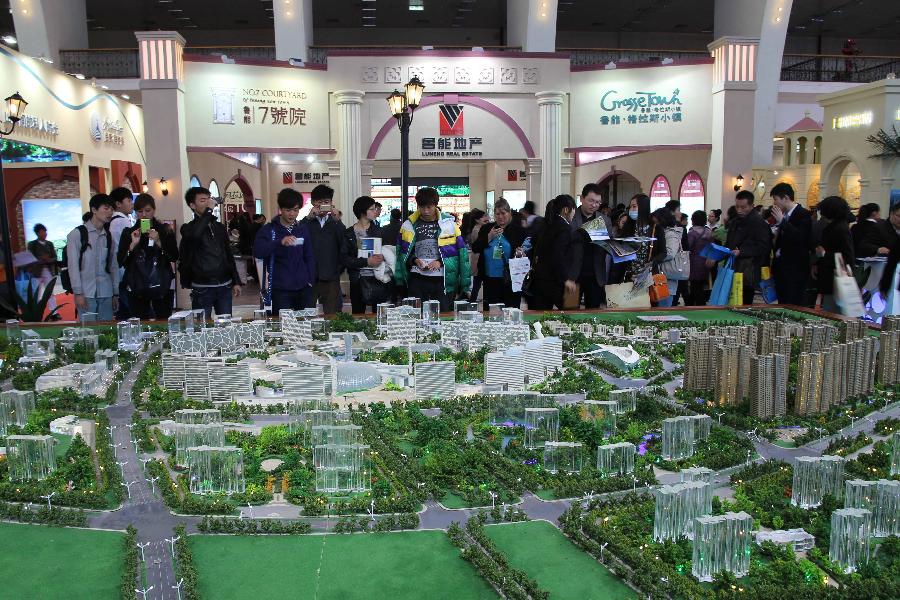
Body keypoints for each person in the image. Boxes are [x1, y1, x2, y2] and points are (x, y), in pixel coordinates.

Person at [395, 187, 470, 311]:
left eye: (429, 207)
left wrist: (440, 262)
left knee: (443, 315)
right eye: (422, 207)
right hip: (417, 278)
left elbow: (461, 255)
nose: (425, 211)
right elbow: (401, 254)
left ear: (436, 205)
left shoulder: (450, 225)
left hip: (443, 280)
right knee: (416, 316)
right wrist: (415, 260)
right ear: (417, 205)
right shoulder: (408, 226)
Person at [179, 186, 242, 319]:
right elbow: (195, 235)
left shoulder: (219, 227)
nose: (208, 203)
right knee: (202, 327)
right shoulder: (187, 228)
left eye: (209, 199)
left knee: (225, 327)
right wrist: (208, 211)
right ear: (192, 205)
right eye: (203, 200)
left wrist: (236, 281)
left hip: (224, 285)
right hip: (202, 286)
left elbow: (228, 255)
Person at [252, 189, 316, 315]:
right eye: (288, 210)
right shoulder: (269, 230)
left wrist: (310, 280)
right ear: (280, 209)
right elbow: (258, 252)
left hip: (303, 288)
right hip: (280, 289)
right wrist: (279, 242)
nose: (292, 214)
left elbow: (309, 256)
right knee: (281, 326)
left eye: (296, 210)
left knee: (305, 324)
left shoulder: (302, 229)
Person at [117, 194, 178, 319]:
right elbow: (121, 261)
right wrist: (132, 245)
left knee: (163, 321)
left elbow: (174, 256)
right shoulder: (129, 233)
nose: (144, 214)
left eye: (148, 210)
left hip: (161, 282)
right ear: (135, 212)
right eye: (140, 211)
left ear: (154, 210)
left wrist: (159, 242)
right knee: (140, 323)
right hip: (137, 283)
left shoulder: (164, 230)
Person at [66, 194, 119, 321]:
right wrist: (78, 293)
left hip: (106, 292)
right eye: (106, 208)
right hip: (86, 293)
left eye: (112, 209)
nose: (110, 212)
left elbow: (113, 266)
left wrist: (115, 293)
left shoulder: (109, 236)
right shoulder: (77, 234)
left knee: (107, 333)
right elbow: (73, 266)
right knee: (88, 333)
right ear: (94, 210)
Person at [471, 198, 526, 310]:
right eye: (497, 214)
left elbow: (525, 252)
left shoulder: (518, 231)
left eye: (503, 213)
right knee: (491, 313)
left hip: (509, 279)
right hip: (490, 279)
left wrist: (520, 253)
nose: (500, 217)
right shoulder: (487, 228)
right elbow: (476, 248)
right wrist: (489, 237)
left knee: (510, 311)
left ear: (509, 213)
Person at [529, 194, 578, 310]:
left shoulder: (545, 224)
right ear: (566, 210)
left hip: (540, 280)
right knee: (571, 316)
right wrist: (566, 279)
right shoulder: (564, 228)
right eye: (574, 209)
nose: (574, 213)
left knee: (541, 319)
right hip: (558, 281)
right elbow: (558, 255)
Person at [768, 182, 812, 306]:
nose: (774, 203)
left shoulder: (803, 215)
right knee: (782, 304)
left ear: (786, 198)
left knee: (793, 305)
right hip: (781, 270)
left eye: (776, 199)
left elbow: (800, 238)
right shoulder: (785, 216)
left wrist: (782, 221)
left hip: (795, 271)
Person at [725, 191, 772, 305]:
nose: (739, 210)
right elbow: (729, 242)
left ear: (752, 206)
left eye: (743, 207)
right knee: (731, 303)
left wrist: (741, 252)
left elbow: (764, 247)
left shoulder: (759, 223)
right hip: (734, 268)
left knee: (744, 303)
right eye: (737, 207)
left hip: (748, 270)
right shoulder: (735, 222)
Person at [570, 183, 612, 308]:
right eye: (591, 201)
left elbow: (608, 245)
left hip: (595, 274)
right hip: (573, 275)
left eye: (598, 202)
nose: (594, 205)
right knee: (570, 310)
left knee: (593, 312)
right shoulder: (571, 217)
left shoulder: (605, 220)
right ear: (582, 198)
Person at [341, 196, 386, 314]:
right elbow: (345, 259)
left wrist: (383, 257)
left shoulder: (378, 231)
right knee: (358, 314)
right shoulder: (349, 233)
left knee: (378, 315)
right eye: (372, 209)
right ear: (363, 212)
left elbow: (387, 251)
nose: (375, 211)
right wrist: (366, 262)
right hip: (357, 280)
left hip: (377, 278)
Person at [306, 184, 345, 314]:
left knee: (332, 314)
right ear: (312, 203)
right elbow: (298, 239)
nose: (323, 205)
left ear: (331, 203)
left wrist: (337, 221)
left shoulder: (335, 222)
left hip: (331, 276)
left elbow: (344, 244)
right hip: (309, 277)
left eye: (326, 202)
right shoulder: (307, 222)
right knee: (306, 314)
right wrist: (308, 218)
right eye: (319, 202)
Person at [610, 193, 665, 284]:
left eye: (634, 206)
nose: (631, 210)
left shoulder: (656, 229)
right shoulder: (628, 228)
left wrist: (650, 264)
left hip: (648, 277)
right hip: (628, 276)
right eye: (630, 207)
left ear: (643, 207)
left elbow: (663, 252)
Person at [814, 196, 854, 313]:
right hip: (831, 277)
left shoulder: (840, 229)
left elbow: (847, 257)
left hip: (836, 279)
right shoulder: (835, 227)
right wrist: (818, 262)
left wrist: (824, 254)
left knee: (833, 312)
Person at [108, 187, 134, 318]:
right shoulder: (122, 221)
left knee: (123, 312)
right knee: (132, 311)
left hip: (117, 271)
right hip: (124, 272)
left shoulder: (112, 221)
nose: (131, 203)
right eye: (128, 200)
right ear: (118, 204)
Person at [650, 207, 683, 307]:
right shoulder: (662, 233)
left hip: (666, 279)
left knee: (662, 311)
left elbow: (670, 253)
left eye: (655, 222)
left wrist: (653, 256)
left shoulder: (671, 234)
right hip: (658, 277)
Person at [27, 223, 58, 312]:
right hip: (36, 272)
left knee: (50, 292)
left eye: (45, 232)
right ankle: (35, 312)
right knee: (36, 293)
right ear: (37, 233)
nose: (44, 234)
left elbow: (55, 257)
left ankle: (54, 312)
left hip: (48, 271)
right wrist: (41, 259)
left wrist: (49, 260)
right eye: (42, 232)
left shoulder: (50, 244)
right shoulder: (32, 244)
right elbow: (29, 258)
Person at [462, 208, 489, 303]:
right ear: (477, 220)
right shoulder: (477, 230)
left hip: (478, 258)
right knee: (478, 282)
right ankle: (472, 301)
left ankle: (472, 300)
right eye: (483, 217)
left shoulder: (479, 228)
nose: (486, 218)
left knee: (477, 282)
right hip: (478, 259)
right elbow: (480, 245)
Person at [687, 210, 713, 305]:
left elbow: (688, 247)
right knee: (700, 285)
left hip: (694, 262)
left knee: (694, 285)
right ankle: (693, 304)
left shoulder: (692, 233)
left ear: (693, 220)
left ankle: (697, 305)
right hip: (706, 261)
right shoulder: (708, 232)